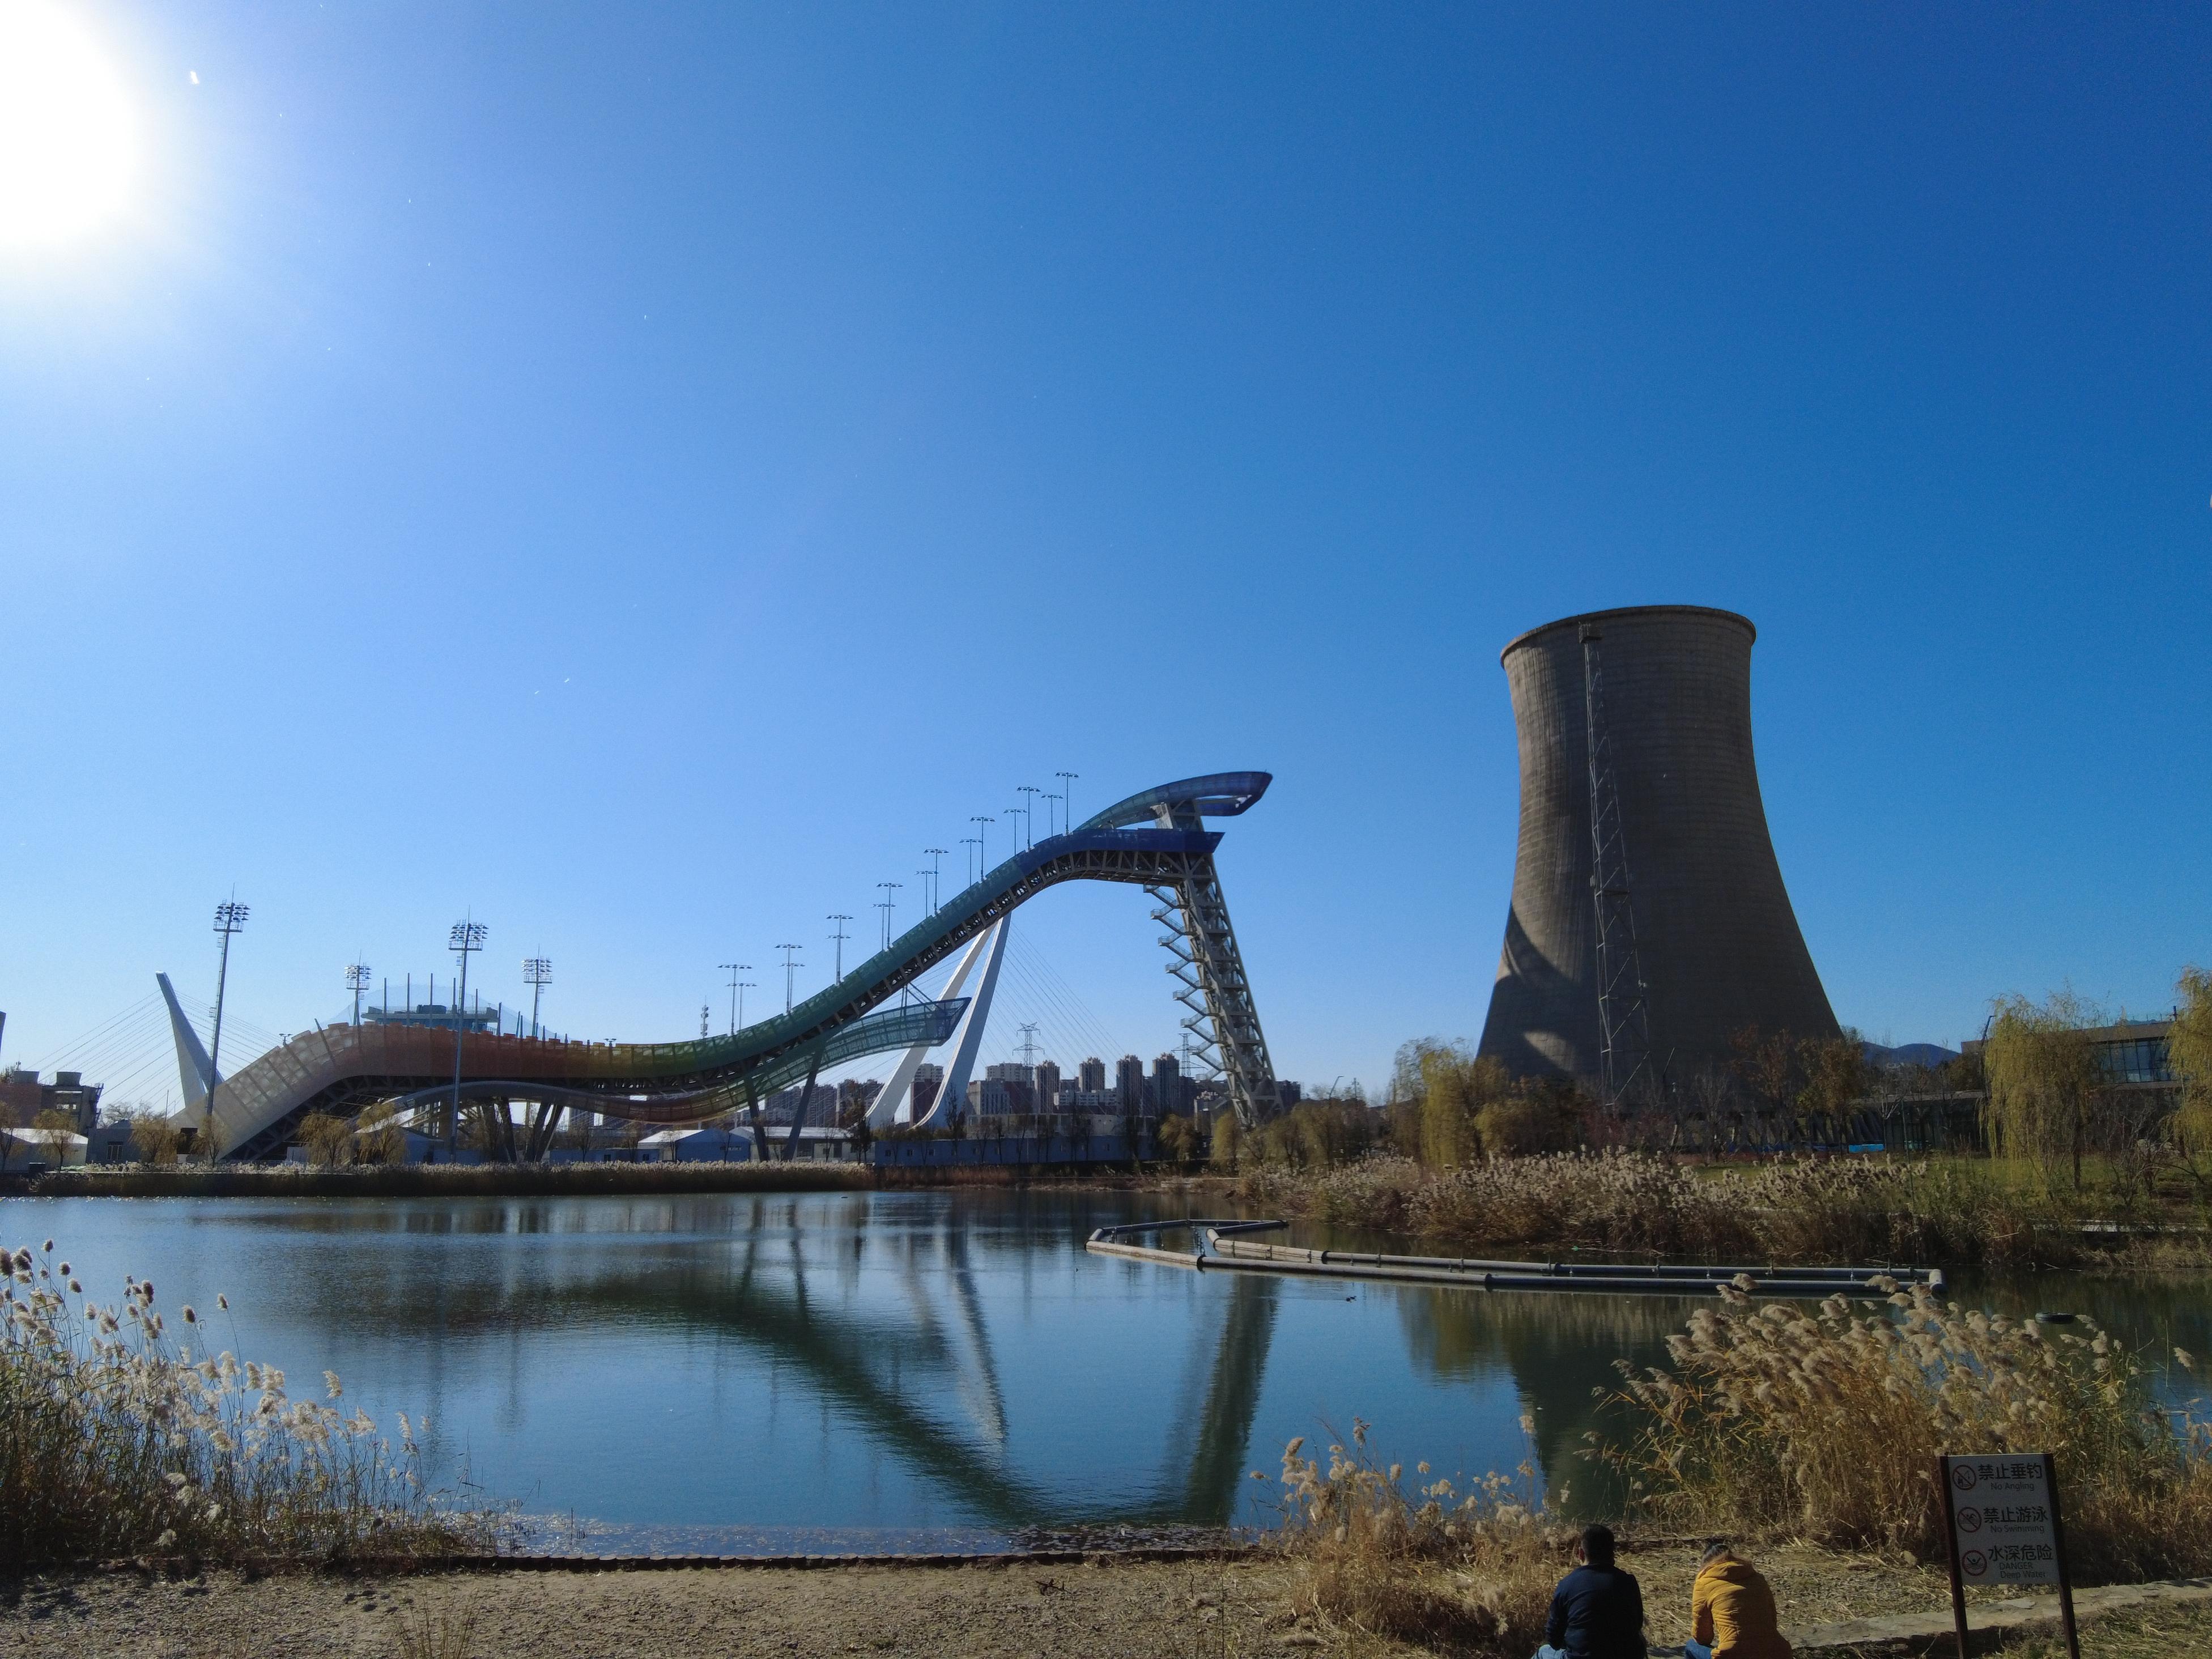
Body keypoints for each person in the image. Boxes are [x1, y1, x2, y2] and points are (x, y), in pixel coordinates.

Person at [1537, 1524, 1645, 1659]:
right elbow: (1638, 1624)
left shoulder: (1567, 1585)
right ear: (1612, 1553)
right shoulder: (1628, 1582)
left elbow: (1554, 1641)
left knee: (1542, 1652)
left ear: (1581, 1553)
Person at [1684, 1542, 1792, 1659]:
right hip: (1777, 1652)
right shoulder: (1758, 1579)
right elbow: (1772, 1621)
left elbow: (1703, 1637)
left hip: (1733, 1655)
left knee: (1691, 1646)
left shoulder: (1704, 1584)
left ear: (1706, 1563)